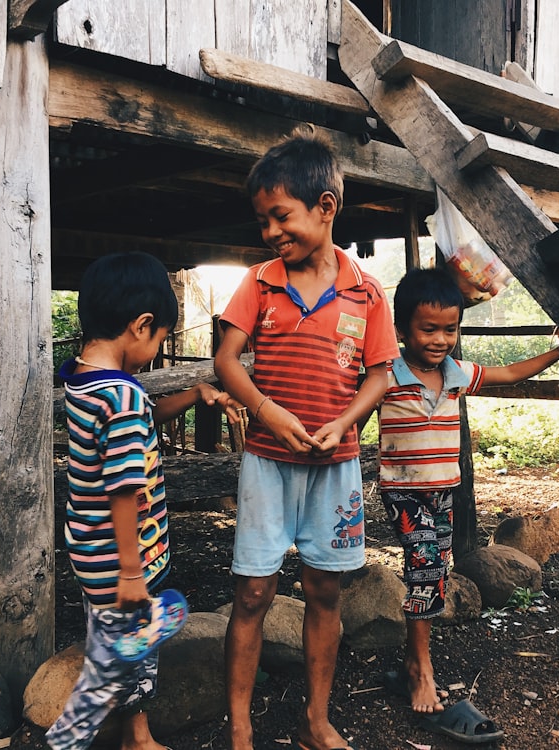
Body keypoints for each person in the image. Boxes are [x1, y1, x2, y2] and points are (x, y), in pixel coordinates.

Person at [213, 126, 400, 750]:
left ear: (326, 207)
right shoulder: (260, 281)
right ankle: (240, 729)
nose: (271, 232)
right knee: (253, 592)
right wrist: (268, 412)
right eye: (263, 220)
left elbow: (381, 371)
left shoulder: (367, 292)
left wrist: (345, 422)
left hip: (336, 464)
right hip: (267, 463)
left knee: (325, 590)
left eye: (281, 216)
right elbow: (227, 361)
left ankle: (315, 721)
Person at [376, 267, 559, 739]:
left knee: (433, 571)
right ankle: (421, 668)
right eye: (428, 328)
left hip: (443, 491)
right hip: (404, 492)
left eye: (450, 329)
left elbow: (509, 373)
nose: (440, 339)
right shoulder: (387, 376)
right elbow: (348, 409)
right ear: (402, 328)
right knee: (426, 567)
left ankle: (414, 655)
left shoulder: (457, 375)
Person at [47, 252, 237, 750]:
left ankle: (135, 731)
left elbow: (147, 415)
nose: (155, 350)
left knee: (116, 640)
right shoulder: (123, 397)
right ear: (141, 325)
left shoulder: (84, 382)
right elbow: (124, 487)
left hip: (90, 552)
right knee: (123, 659)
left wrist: (195, 395)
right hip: (122, 559)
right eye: (159, 339)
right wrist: (132, 571)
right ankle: (78, 736)